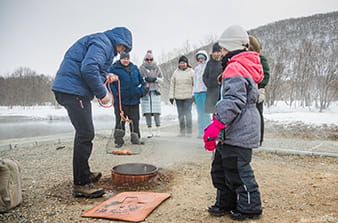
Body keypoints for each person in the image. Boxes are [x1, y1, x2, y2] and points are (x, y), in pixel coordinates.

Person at [52, 27, 132, 198]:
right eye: (122, 48)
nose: (121, 52)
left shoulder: (102, 43)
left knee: (84, 132)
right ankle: (81, 184)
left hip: (72, 89)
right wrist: (102, 93)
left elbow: (92, 68)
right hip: (73, 91)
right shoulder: (102, 43)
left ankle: (84, 173)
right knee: (85, 133)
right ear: (119, 41)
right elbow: (88, 69)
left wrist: (106, 76)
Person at [203, 25, 264, 221]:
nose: (220, 53)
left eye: (223, 49)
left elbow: (233, 101)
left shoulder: (235, 67)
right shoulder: (237, 65)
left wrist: (217, 124)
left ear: (231, 48)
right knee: (220, 169)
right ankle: (225, 202)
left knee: (237, 170)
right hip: (231, 131)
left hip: (239, 131)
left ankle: (250, 207)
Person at [109, 52, 145, 148]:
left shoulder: (134, 68)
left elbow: (142, 82)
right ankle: (118, 141)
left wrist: (140, 92)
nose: (126, 60)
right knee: (120, 121)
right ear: (120, 59)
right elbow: (109, 84)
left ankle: (135, 138)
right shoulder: (113, 69)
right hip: (120, 101)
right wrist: (116, 94)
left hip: (134, 100)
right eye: (124, 59)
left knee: (135, 120)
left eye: (127, 59)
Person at [248, 35, 270, 146]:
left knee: (258, 113)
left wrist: (261, 87)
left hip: (257, 89)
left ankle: (260, 138)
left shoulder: (261, 58)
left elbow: (266, 74)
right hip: (248, 89)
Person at [139, 50, 163, 138]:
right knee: (147, 112)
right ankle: (149, 130)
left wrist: (155, 79)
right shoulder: (141, 68)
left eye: (151, 59)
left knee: (157, 112)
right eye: (147, 59)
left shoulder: (157, 67)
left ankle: (158, 129)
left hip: (155, 92)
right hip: (146, 92)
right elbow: (139, 79)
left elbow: (162, 79)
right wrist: (145, 79)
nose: (149, 61)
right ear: (144, 59)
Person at [168, 55, 194, 137]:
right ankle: (182, 131)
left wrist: (194, 95)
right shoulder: (175, 73)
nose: (182, 64)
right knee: (180, 114)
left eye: (184, 63)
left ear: (187, 63)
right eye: (181, 63)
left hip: (188, 97)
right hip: (178, 97)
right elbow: (172, 85)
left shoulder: (191, 72)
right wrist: (171, 96)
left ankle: (189, 131)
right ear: (179, 64)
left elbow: (195, 85)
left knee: (188, 114)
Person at [193, 50, 210, 138]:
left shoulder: (207, 67)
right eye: (199, 58)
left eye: (202, 57)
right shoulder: (196, 69)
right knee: (200, 113)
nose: (201, 59)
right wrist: (193, 93)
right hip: (197, 92)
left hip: (205, 91)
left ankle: (207, 131)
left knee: (206, 112)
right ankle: (200, 131)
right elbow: (195, 81)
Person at [203, 42, 223, 114]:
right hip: (211, 91)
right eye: (215, 52)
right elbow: (204, 76)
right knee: (213, 112)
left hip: (221, 90)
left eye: (218, 52)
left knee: (222, 111)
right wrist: (209, 84)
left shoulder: (223, 61)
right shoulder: (209, 63)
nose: (217, 54)